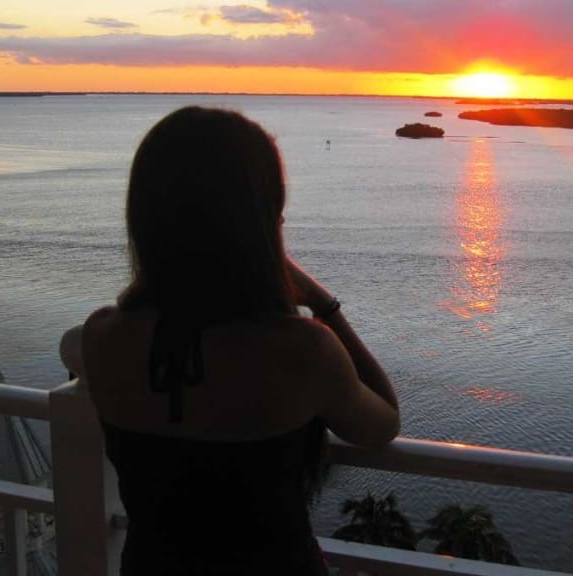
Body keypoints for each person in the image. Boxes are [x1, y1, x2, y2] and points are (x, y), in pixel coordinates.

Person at [60, 106, 399, 575]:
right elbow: (383, 422)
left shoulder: (102, 337)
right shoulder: (302, 349)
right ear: (261, 217)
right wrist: (322, 301)